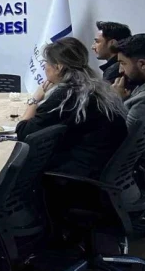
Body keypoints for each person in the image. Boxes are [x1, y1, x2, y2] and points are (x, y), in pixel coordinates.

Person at [16, 37, 128, 179]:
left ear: (58, 67)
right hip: (101, 165)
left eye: (46, 63)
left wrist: (34, 100)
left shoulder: (67, 95)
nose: (44, 67)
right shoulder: (95, 87)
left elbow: (24, 133)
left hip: (77, 175)